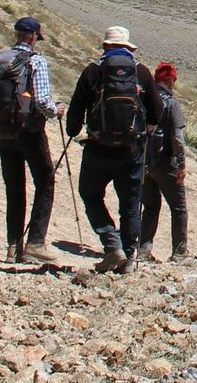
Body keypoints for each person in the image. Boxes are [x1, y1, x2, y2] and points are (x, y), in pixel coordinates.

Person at [65, 26, 169, 272]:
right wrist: (144, 134)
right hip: (131, 150)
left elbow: (76, 110)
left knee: (90, 195)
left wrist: (74, 131)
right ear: (128, 48)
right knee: (131, 204)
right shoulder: (141, 72)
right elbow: (157, 110)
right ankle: (129, 258)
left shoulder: (93, 71)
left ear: (105, 47)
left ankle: (112, 245)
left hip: (97, 148)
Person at [0, 15, 64, 265]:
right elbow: (42, 102)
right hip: (31, 131)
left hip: (5, 132)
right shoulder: (36, 61)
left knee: (14, 188)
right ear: (33, 37)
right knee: (45, 181)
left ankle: (13, 247)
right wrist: (56, 110)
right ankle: (35, 243)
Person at [138, 62, 188, 261]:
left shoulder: (143, 98)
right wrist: (182, 164)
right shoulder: (172, 104)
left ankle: (143, 249)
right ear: (169, 80)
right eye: (173, 80)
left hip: (144, 162)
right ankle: (179, 253)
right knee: (178, 208)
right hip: (166, 163)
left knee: (150, 207)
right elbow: (177, 138)